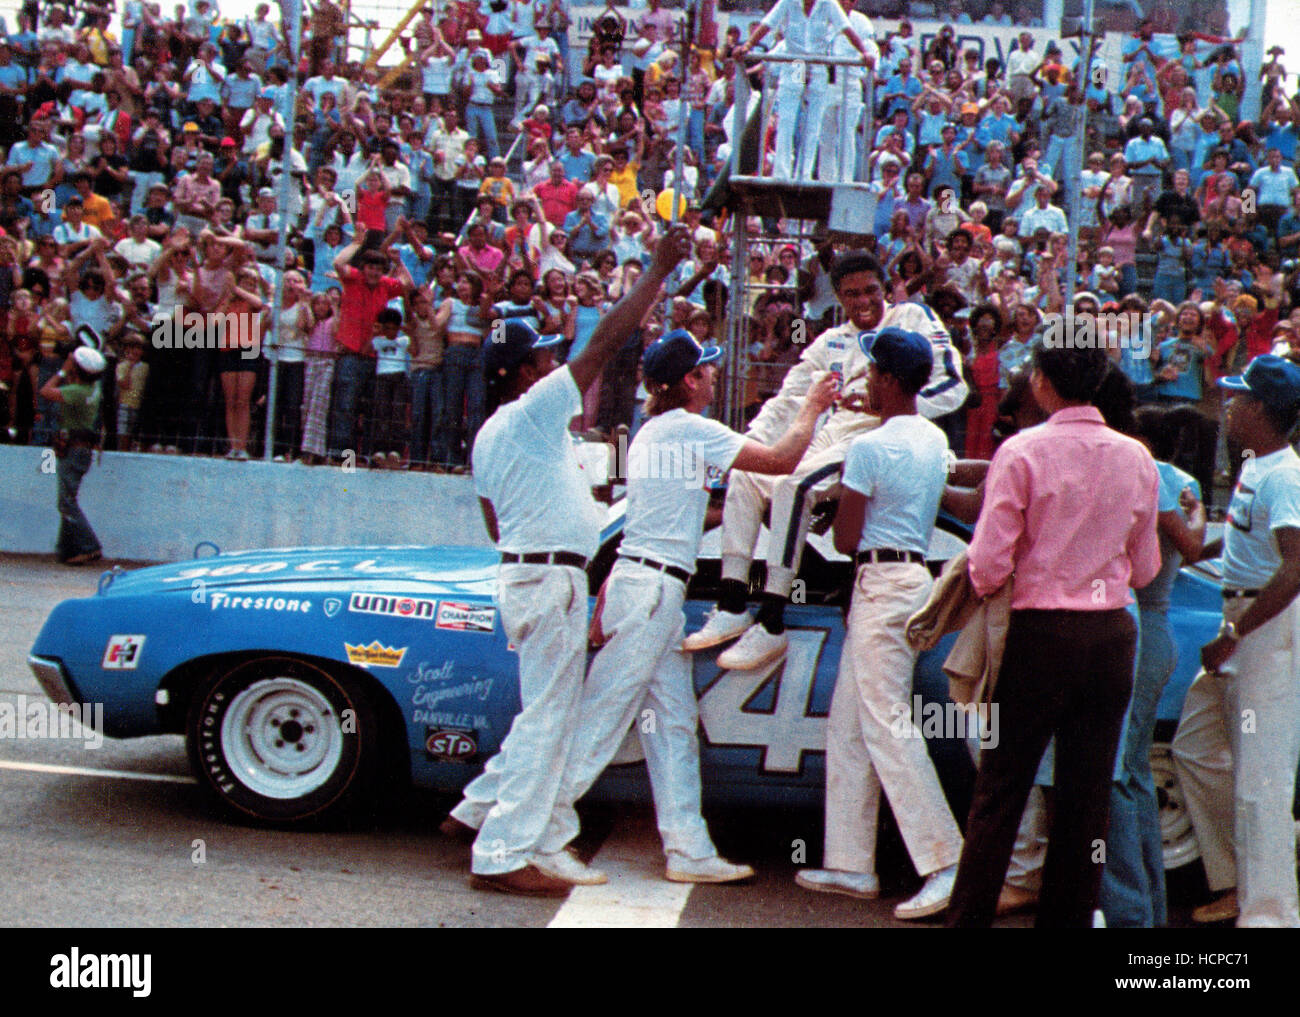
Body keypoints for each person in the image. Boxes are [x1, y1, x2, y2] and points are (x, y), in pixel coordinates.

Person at [529, 330, 840, 884]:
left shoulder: (655, 430)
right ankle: (543, 835)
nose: (715, 375)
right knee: (603, 718)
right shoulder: (693, 429)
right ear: (688, 381)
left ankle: (688, 848)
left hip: (647, 589)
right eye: (707, 369)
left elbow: (676, 517)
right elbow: (780, 458)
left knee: (673, 724)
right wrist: (814, 405)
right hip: (649, 593)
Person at [440, 225, 694, 897]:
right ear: (523, 373)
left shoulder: (494, 434)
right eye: (542, 358)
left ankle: (474, 809)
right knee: (549, 720)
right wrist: (655, 272)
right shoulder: (529, 413)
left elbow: (495, 522)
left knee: (543, 713)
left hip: (527, 571)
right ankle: (501, 851)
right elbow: (605, 343)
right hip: (547, 578)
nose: (554, 365)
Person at [946, 342, 1161, 927]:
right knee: (1085, 802)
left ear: (1041, 383)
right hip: (1111, 635)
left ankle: (968, 918)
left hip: (1039, 632)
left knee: (1001, 793)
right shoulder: (1137, 457)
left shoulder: (1021, 451)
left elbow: (987, 564)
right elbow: (1146, 569)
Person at [682, 252, 966, 671]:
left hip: (881, 437)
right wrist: (750, 447)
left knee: (792, 488)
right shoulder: (831, 341)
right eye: (852, 294)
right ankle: (732, 602)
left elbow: (953, 384)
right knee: (748, 475)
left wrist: (894, 406)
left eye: (871, 290)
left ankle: (773, 620)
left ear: (884, 286)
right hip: (833, 436)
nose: (864, 301)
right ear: (837, 297)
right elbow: (786, 402)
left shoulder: (912, 318)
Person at [795, 326, 964, 919]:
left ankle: (946, 861)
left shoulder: (869, 446)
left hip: (879, 583)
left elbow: (844, 537)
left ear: (889, 379)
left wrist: (839, 501)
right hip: (910, 578)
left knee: (889, 726)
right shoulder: (932, 436)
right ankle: (848, 860)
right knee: (850, 724)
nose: (866, 379)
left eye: (872, 371)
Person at [1171, 354, 1300, 927]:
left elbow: (1295, 567)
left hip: (1265, 629)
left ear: (1262, 411)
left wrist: (1231, 634)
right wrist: (1204, 545)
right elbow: (1252, 543)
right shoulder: (1257, 467)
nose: (1227, 405)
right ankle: (1241, 883)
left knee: (1263, 779)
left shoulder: (1285, 475)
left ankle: (1270, 915)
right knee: (1195, 750)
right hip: (1243, 619)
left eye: (1238, 398)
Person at [1099, 405, 1206, 928]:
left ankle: (1132, 911)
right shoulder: (1182, 481)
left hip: (1142, 622)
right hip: (1156, 628)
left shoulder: (1155, 478)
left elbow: (1186, 542)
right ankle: (1149, 907)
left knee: (1119, 771)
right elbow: (1193, 539)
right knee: (1136, 770)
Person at [39, 345, 106, 565]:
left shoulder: (77, 392)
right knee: (68, 500)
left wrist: (62, 370)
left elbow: (45, 391)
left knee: (66, 502)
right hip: (81, 448)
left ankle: (90, 546)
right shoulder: (93, 387)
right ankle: (66, 549)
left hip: (73, 449)